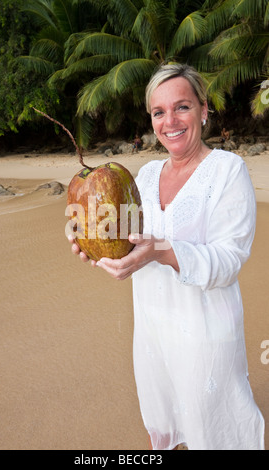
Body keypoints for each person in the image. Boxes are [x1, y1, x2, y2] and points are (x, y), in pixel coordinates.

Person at [68, 64, 265, 450]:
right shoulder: (142, 176)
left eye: (182, 107)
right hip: (154, 334)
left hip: (205, 337)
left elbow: (229, 260)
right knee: (164, 422)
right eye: (159, 112)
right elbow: (122, 241)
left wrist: (159, 250)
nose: (170, 121)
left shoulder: (228, 170)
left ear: (204, 110)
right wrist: (91, 243)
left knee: (212, 430)